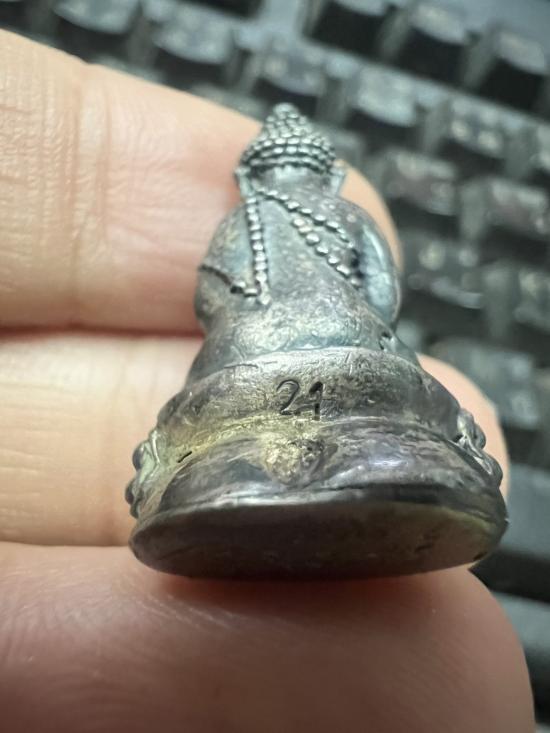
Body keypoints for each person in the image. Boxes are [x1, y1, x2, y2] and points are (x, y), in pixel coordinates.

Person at [0, 30, 533, 733]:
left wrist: (255, 328)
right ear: (328, 179)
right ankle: (388, 459)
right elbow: (382, 297)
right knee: (394, 379)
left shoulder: (241, 221)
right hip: (359, 356)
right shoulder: (348, 215)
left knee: (214, 397)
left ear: (255, 178)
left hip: (243, 360)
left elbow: (212, 300)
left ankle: (224, 474)